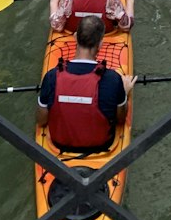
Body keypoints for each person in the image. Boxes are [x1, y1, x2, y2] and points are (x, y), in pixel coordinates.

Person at [37, 15, 137, 154]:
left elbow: (41, 121)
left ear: (76, 37)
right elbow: (120, 120)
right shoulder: (113, 79)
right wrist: (124, 92)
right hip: (101, 147)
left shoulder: (51, 77)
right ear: (101, 44)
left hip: (59, 146)